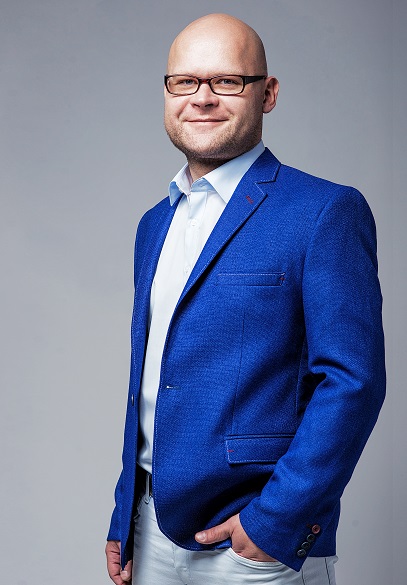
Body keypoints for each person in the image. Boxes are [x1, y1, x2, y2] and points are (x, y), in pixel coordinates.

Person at [105, 13, 385, 585]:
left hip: (254, 544)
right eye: (185, 82)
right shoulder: (153, 225)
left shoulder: (324, 212)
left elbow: (353, 380)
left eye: (227, 81)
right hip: (149, 530)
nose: (202, 98)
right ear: (167, 93)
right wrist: (124, 513)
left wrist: (276, 522)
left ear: (268, 93)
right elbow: (151, 383)